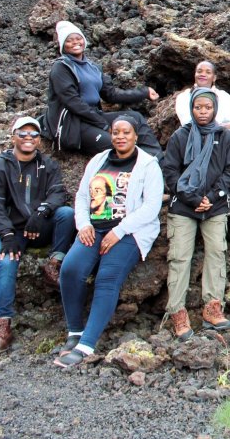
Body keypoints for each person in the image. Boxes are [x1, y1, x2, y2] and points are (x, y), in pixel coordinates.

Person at [54, 115, 163, 367]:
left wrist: (120, 231)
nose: (121, 137)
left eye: (126, 132)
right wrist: (84, 225)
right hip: (95, 228)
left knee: (107, 277)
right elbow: (82, 196)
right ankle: (75, 332)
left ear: (136, 136)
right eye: (116, 132)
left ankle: (86, 345)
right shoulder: (98, 160)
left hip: (130, 232)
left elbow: (151, 207)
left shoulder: (148, 165)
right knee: (70, 269)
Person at [0, 116, 76, 354]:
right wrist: (5, 234)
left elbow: (57, 193)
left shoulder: (47, 165)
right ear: (13, 136)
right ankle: (2, 325)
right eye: (23, 134)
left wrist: (42, 212)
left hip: (40, 225)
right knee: (6, 263)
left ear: (39, 140)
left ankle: (54, 263)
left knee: (66, 214)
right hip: (11, 232)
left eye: (34, 134)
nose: (28, 138)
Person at [161, 89, 230, 341]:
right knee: (179, 258)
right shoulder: (180, 136)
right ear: (191, 109)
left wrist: (214, 196)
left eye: (208, 107)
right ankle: (177, 313)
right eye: (198, 107)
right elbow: (171, 172)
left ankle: (212, 308)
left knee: (216, 253)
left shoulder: (225, 136)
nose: (203, 112)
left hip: (215, 206)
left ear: (215, 109)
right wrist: (193, 198)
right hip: (184, 206)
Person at [44, 21, 162, 157]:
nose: (75, 43)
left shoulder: (93, 67)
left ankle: (156, 162)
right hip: (74, 124)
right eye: (69, 40)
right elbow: (73, 103)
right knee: (118, 144)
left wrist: (144, 92)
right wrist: (105, 126)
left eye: (78, 38)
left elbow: (111, 95)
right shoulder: (61, 68)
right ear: (63, 45)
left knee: (135, 118)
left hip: (93, 116)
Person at [174, 60, 230, 134]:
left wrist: (229, 126)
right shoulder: (184, 97)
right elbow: (187, 122)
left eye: (208, 72)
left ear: (214, 78)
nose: (203, 74)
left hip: (221, 141)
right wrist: (215, 127)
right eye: (199, 71)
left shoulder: (223, 96)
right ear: (195, 75)